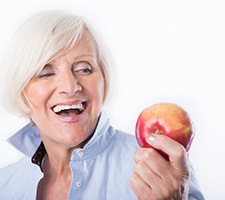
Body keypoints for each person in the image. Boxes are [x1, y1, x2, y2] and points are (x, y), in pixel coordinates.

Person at [0, 10, 204, 200]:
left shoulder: (159, 168)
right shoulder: (5, 185)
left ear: (103, 81)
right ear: (22, 92)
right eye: (46, 73)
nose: (70, 87)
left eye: (84, 69)